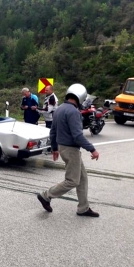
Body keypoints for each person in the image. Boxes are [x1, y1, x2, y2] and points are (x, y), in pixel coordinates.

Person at [37, 83, 100, 217]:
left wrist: (54, 148)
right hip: (71, 150)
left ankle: (83, 208)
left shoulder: (59, 109)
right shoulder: (73, 112)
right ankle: (46, 195)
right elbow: (77, 136)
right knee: (72, 180)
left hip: (63, 148)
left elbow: (53, 131)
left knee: (82, 178)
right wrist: (92, 149)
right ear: (81, 97)